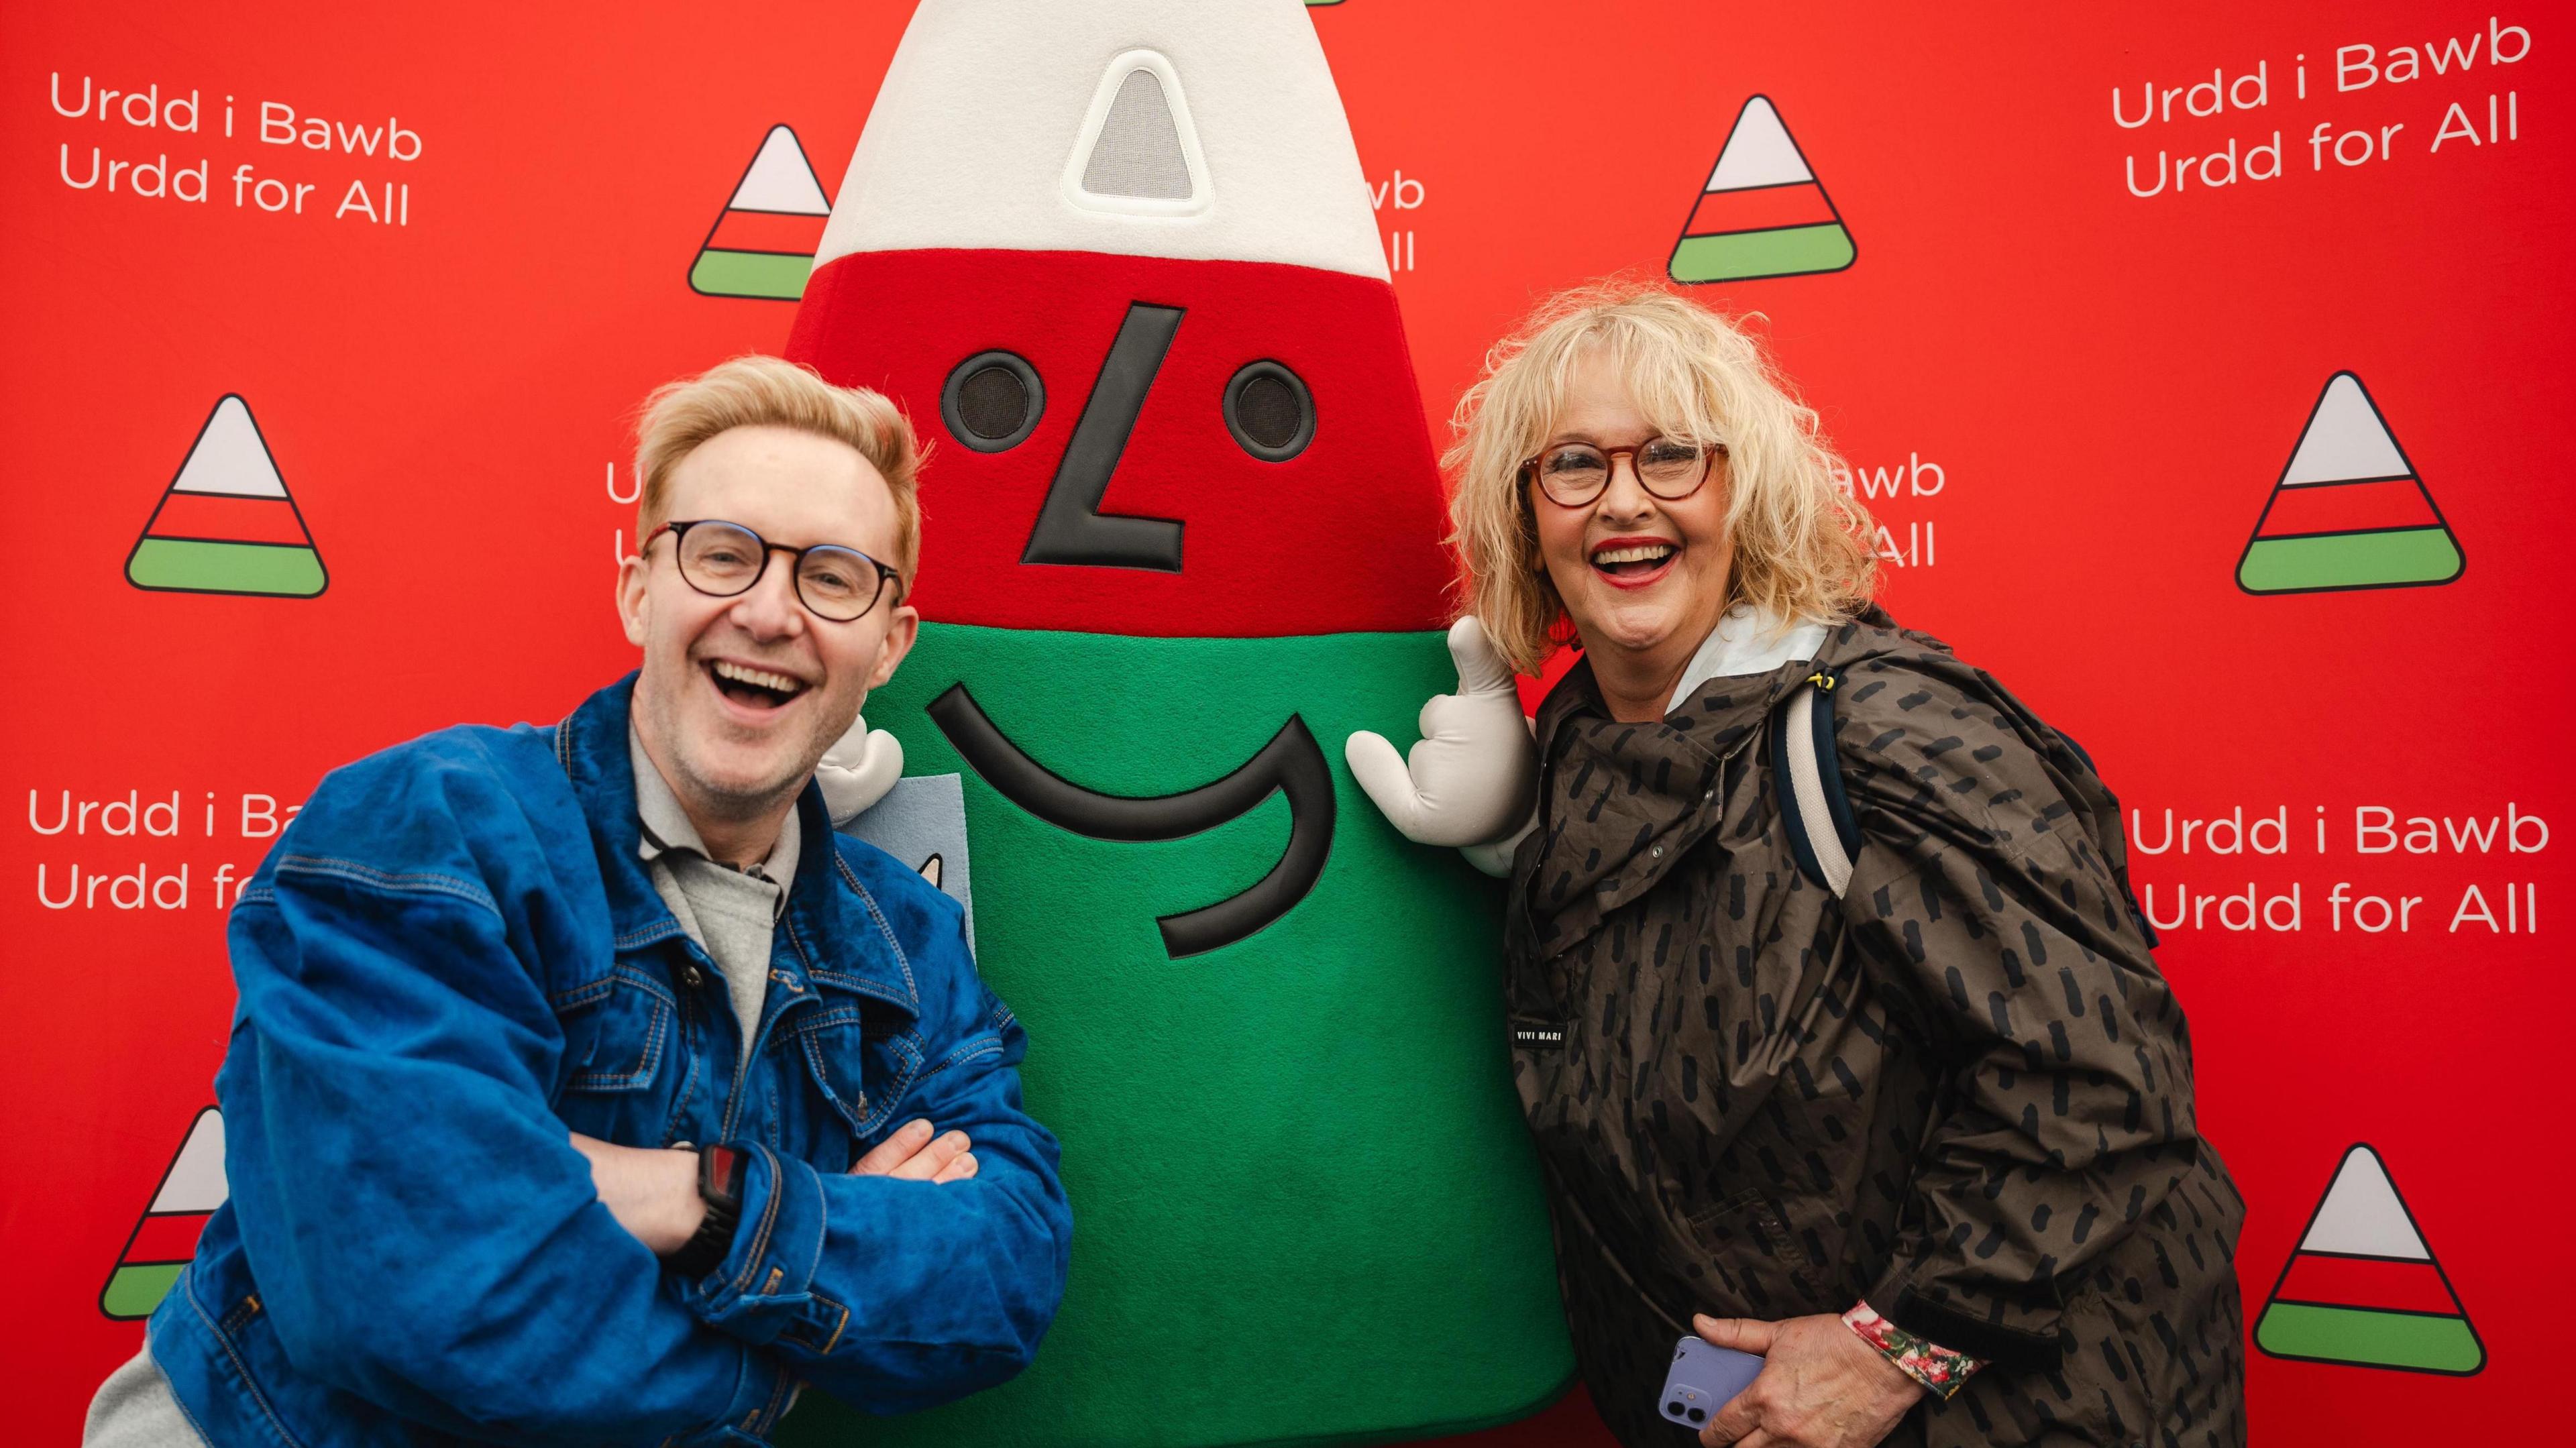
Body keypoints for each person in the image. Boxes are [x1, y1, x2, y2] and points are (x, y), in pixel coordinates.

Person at [84, 357, 1073, 1447]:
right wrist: (780, 1350)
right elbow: (410, 1287)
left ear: (888, 643)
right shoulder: (431, 830)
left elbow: (1002, 1272)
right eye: (724, 554)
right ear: (638, 590)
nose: (769, 611)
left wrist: (701, 1200)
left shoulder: (905, 940)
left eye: (833, 578)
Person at [1352, 284, 2245, 1448]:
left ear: (1746, 489)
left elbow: (2099, 1078)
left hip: (2020, 1413)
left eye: (1673, 456)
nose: (1624, 502)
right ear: (1528, 518)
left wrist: (1897, 1349)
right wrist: (1510, 847)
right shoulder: (1572, 750)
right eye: (1571, 465)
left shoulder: (1885, 734)